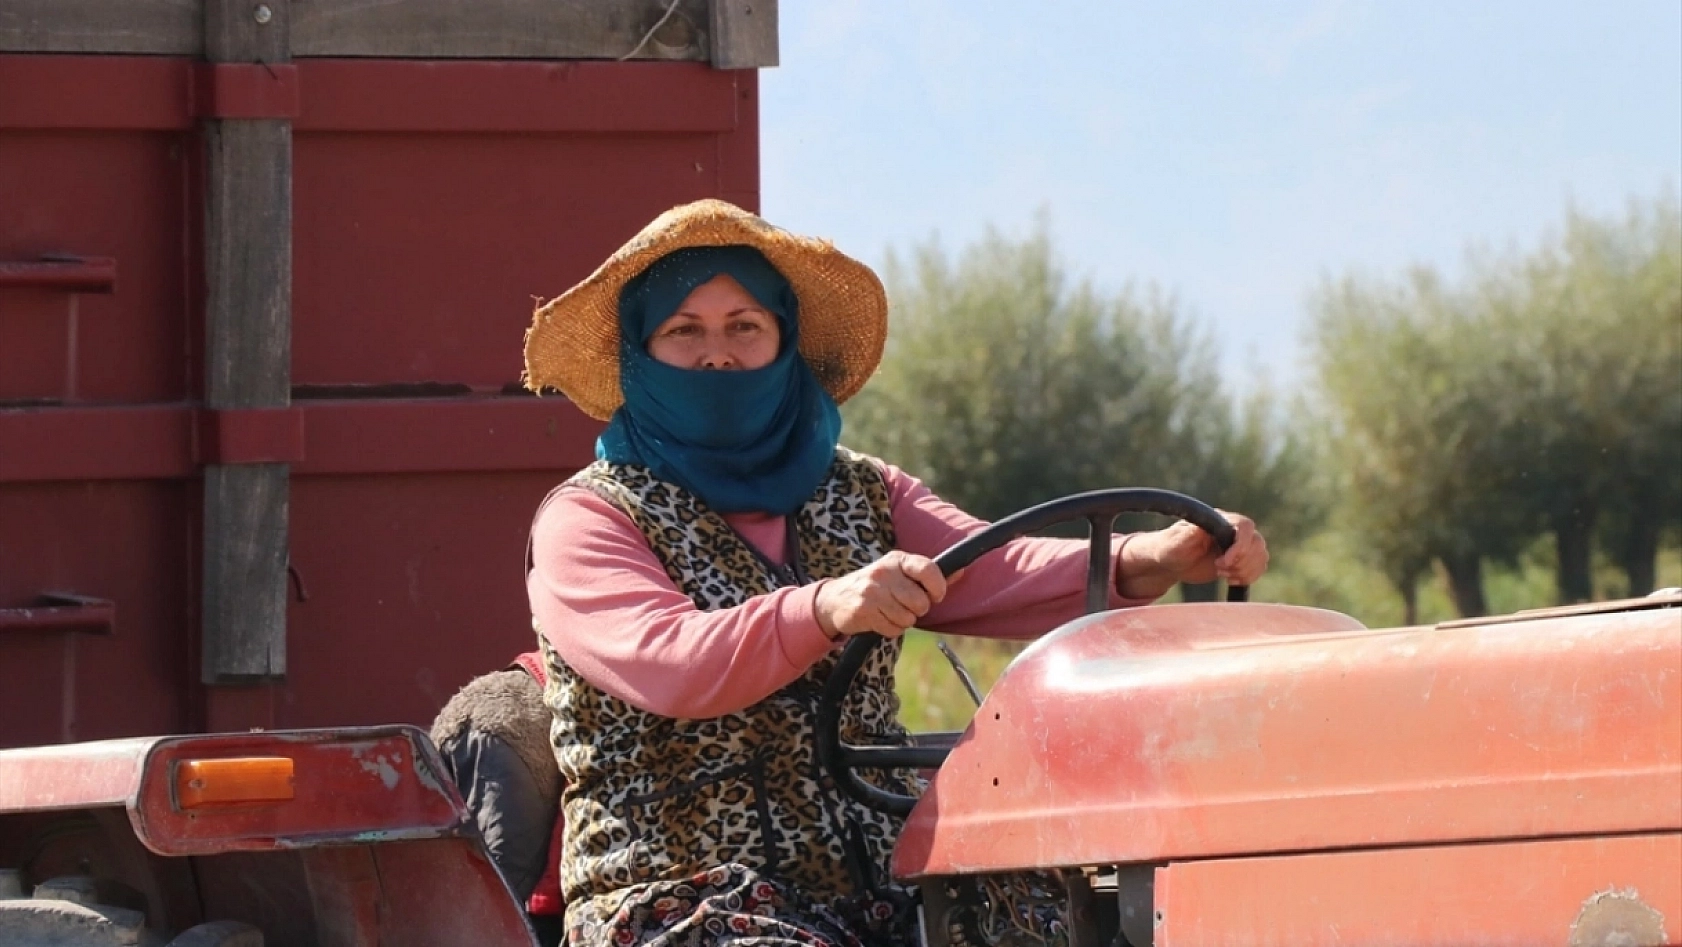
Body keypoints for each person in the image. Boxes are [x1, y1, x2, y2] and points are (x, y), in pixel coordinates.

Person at [521, 200, 1269, 947]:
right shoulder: (591, 518)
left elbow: (993, 566)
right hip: (683, 891)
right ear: (641, 358)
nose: (718, 353)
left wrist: (1150, 557)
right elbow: (670, 661)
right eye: (684, 331)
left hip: (889, 877)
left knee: (1082, 921)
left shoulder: (861, 490)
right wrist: (822, 608)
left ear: (784, 344)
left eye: (744, 326)